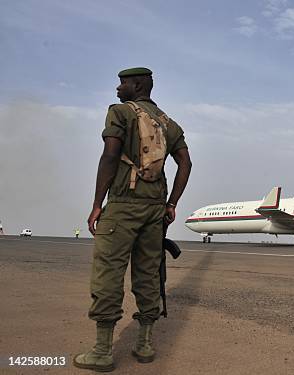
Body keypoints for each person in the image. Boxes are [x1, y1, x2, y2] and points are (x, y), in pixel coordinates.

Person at [74, 67, 192, 372]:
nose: (117, 88)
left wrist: (97, 204)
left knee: (108, 273)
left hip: (123, 206)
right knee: (149, 274)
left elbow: (110, 155)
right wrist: (172, 203)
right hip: (155, 211)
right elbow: (185, 162)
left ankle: (102, 351)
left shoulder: (120, 113)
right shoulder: (168, 122)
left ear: (136, 85)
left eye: (122, 83)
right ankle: (144, 344)